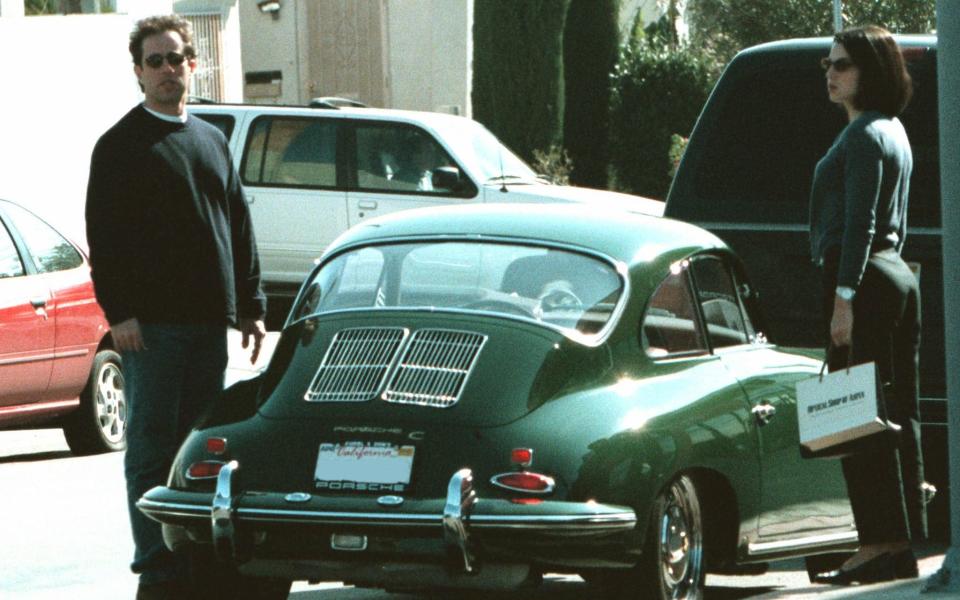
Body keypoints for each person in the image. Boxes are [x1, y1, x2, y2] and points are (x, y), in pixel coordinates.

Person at [85, 15, 266, 600]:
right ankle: (156, 564)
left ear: (194, 64)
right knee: (151, 449)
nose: (167, 70)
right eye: (154, 61)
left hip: (208, 324)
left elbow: (238, 225)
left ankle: (196, 559)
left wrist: (251, 304)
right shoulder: (119, 146)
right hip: (151, 330)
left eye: (175, 58)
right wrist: (121, 313)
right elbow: (104, 238)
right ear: (138, 73)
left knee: (199, 451)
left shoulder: (211, 140)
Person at [808, 25, 925, 585]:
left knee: (857, 416)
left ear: (870, 72)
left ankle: (877, 542)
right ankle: (898, 540)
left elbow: (860, 224)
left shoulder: (861, 137)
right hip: (898, 277)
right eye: (828, 64)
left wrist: (843, 299)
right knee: (897, 411)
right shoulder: (894, 130)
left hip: (866, 281)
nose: (831, 74)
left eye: (843, 65)